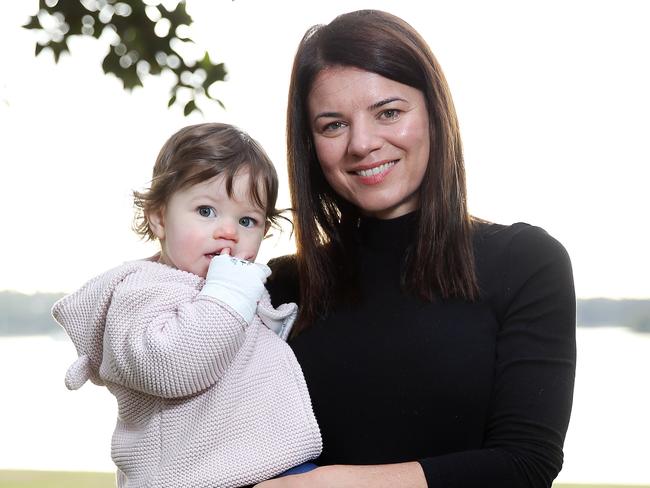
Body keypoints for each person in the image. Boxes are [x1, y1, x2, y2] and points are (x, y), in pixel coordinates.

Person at [260, 9, 576, 488]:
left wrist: (330, 485)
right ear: (310, 143)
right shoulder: (283, 284)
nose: (362, 144)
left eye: (388, 112)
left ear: (434, 113)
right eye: (332, 125)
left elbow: (525, 465)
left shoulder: (525, 262)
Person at [52, 123, 322, 488]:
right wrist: (230, 294)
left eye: (247, 220)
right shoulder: (143, 291)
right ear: (159, 217)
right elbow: (172, 364)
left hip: (266, 467)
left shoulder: (229, 288)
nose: (229, 231)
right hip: (198, 477)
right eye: (206, 211)